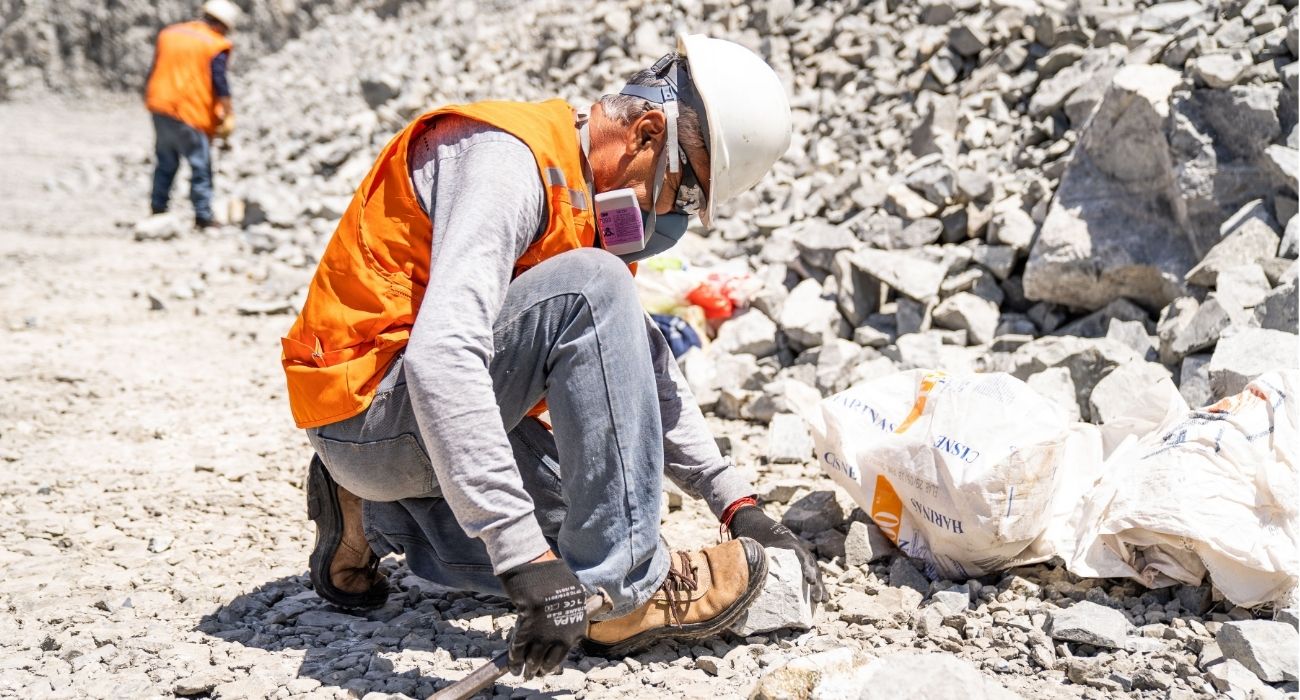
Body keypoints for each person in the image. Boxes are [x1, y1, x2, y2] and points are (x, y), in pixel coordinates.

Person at [283, 34, 825, 679]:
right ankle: (626, 598)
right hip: (374, 413)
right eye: (681, 194)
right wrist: (522, 560)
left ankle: (374, 517)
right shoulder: (506, 160)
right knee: (595, 292)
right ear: (648, 135)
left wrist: (735, 502)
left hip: (412, 429)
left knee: (587, 528)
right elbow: (441, 356)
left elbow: (645, 365)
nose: (669, 217)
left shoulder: (580, 197)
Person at [143, 0, 241, 228]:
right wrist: (227, 112)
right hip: (189, 110)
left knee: (166, 160)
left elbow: (155, 68)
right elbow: (219, 80)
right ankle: (203, 216)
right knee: (200, 165)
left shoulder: (170, 34)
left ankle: (158, 209)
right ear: (222, 25)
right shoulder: (214, 44)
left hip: (159, 105)